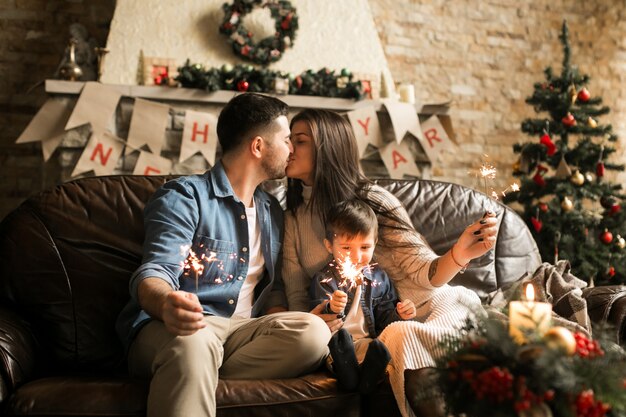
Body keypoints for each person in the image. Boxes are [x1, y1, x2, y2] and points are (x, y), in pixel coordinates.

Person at [115, 93, 331, 417]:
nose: (291, 150)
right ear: (258, 147)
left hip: (240, 333)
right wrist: (165, 304)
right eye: (286, 140)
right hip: (179, 328)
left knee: (313, 333)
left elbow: (272, 289)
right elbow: (155, 271)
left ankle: (196, 375)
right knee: (193, 344)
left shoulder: (272, 211)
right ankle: (191, 366)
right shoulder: (186, 196)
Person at [282, 108, 498, 417]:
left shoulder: (373, 200)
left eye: (299, 140)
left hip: (428, 306)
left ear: (326, 146)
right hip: (373, 329)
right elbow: (297, 299)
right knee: (394, 336)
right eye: (289, 139)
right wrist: (317, 322)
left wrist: (460, 253)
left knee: (400, 334)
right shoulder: (292, 218)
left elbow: (423, 270)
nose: (289, 146)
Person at [310, 198, 417, 394]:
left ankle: (365, 379)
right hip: (337, 345)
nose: (356, 257)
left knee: (379, 349)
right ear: (329, 246)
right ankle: (352, 378)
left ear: (375, 243)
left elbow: (386, 319)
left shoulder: (380, 279)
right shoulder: (324, 279)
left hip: (368, 342)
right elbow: (318, 317)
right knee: (336, 350)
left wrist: (400, 313)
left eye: (365, 247)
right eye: (346, 248)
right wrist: (332, 307)